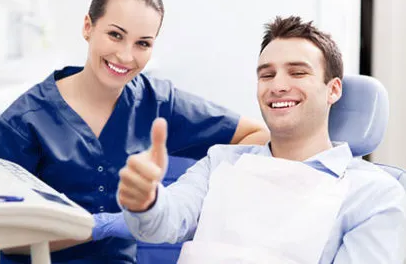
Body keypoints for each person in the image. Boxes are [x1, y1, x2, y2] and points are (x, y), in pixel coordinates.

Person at [0, 0, 269, 264]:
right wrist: (99, 226)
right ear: (88, 27)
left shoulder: (157, 102)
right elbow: (8, 240)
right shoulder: (24, 122)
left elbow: (257, 137)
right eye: (115, 35)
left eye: (143, 43)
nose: (125, 55)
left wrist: (180, 200)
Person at [118, 16, 406, 263]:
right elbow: (163, 223)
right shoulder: (221, 162)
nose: (278, 86)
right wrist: (147, 200)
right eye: (266, 75)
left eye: (297, 72)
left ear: (333, 90)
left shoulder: (375, 195)